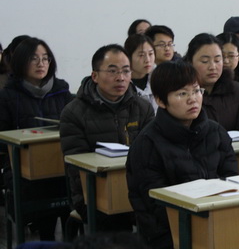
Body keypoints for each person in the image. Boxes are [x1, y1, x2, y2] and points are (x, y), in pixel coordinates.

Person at [126, 61, 238, 249]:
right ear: (160, 101)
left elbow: (232, 180)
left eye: (196, 91)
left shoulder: (216, 132)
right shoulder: (147, 143)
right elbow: (155, 204)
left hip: (217, 222)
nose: (192, 99)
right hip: (170, 232)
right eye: (182, 94)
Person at [60, 44, 154, 227]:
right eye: (112, 71)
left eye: (126, 71)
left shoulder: (143, 108)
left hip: (138, 189)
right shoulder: (73, 113)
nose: (120, 78)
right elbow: (77, 167)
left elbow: (152, 155)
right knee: (113, 222)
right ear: (94, 76)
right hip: (93, 193)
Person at [0, 37, 73, 240]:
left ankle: (70, 238)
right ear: (21, 61)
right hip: (23, 170)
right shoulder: (8, 96)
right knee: (39, 190)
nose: (41, 63)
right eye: (34, 58)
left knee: (71, 185)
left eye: (45, 58)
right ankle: (46, 239)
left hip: (60, 164)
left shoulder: (62, 90)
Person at [183, 33, 239, 131]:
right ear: (190, 62)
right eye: (205, 61)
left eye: (217, 60)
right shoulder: (182, 93)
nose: (212, 67)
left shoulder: (236, 90)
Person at [124, 34, 157, 112]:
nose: (147, 60)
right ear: (128, 57)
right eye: (141, 55)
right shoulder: (122, 83)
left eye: (150, 54)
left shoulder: (160, 77)